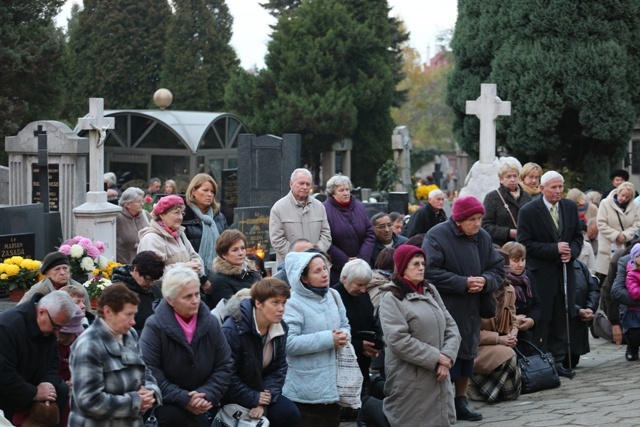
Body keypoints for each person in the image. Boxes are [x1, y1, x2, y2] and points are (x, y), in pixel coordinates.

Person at [422, 195, 504, 421]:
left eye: (479, 218)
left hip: (473, 307)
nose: (477, 224)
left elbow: (497, 268)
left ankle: (461, 400)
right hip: (446, 306)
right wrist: (462, 282)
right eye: (472, 219)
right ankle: (442, 402)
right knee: (448, 353)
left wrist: (486, 281)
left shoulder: (483, 237)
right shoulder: (437, 235)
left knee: (468, 354)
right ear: (458, 220)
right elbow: (429, 272)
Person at [367, 245, 460, 427]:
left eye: (423, 263)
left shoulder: (430, 290)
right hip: (410, 378)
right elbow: (398, 340)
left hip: (439, 375)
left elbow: (451, 326)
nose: (421, 268)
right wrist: (436, 357)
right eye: (415, 264)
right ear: (402, 267)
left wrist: (447, 356)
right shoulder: (391, 297)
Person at [139, 266, 233, 426]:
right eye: (188, 296)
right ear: (170, 300)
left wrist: (206, 394)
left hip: (205, 402)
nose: (195, 300)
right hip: (168, 406)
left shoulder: (210, 322)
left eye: (197, 294)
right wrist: (184, 398)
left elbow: (224, 365)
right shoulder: (155, 326)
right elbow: (150, 371)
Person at [517, 170, 583, 379]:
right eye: (553, 187)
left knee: (562, 314)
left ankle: (560, 359)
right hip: (541, 274)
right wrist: (554, 249)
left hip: (565, 271)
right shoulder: (528, 211)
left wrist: (572, 252)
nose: (557, 191)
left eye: (560, 187)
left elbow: (577, 237)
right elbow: (525, 243)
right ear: (542, 188)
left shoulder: (570, 207)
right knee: (543, 317)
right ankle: (542, 359)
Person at [69, 283, 161, 425]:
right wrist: (135, 402)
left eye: (134, 314)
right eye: (128, 315)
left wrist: (151, 392)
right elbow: (88, 401)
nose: (133, 321)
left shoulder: (129, 334)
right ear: (108, 312)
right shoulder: (88, 345)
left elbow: (145, 371)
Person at [282, 251, 350, 427]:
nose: (324, 274)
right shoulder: (292, 303)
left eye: (325, 268)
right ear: (303, 278)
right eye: (317, 271)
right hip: (305, 391)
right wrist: (329, 339)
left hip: (334, 387)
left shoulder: (334, 295)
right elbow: (289, 343)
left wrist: (344, 336)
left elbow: (345, 325)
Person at [221, 278, 301, 427]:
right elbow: (226, 375)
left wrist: (264, 398)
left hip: (262, 392)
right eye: (275, 302)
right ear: (258, 303)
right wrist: (253, 398)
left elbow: (279, 368)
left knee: (289, 413)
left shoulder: (280, 327)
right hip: (233, 396)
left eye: (283, 303)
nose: (281, 308)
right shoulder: (233, 330)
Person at [0, 291, 75, 424]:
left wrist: (48, 383)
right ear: (41, 312)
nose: (57, 333)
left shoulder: (48, 323)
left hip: (32, 381)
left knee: (60, 390)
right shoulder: (7, 327)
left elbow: (53, 361)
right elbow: (4, 374)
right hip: (8, 392)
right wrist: (33, 393)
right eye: (56, 326)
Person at [468, 250, 521, 404]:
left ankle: (487, 390)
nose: (503, 277)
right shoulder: (476, 294)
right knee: (508, 354)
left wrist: (512, 334)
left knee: (510, 394)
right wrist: (499, 339)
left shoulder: (509, 290)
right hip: (477, 346)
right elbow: (470, 332)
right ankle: (473, 386)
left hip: (500, 343)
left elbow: (513, 318)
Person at [333, 259, 380, 401]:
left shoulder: (363, 295)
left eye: (366, 285)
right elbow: (334, 332)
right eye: (359, 285)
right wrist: (360, 345)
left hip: (363, 363)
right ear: (344, 278)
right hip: (343, 367)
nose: (363, 290)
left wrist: (375, 343)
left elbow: (371, 321)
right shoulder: (334, 296)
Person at [269, 168, 332, 264]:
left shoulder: (319, 207)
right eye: (301, 183)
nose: (305, 187)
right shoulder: (278, 208)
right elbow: (277, 240)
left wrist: (315, 253)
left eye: (308, 184)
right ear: (291, 184)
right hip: (290, 265)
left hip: (315, 263)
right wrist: (299, 257)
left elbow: (326, 235)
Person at [323, 175, 375, 284]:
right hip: (336, 270)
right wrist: (346, 261)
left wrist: (361, 260)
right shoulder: (324, 209)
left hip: (361, 268)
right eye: (341, 190)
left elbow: (369, 234)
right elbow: (325, 240)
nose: (346, 193)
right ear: (332, 193)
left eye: (347, 189)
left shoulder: (359, 207)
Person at [182, 173, 229, 290]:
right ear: (193, 191)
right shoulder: (184, 216)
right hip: (191, 277)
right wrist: (202, 279)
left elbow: (226, 244)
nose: (209, 194)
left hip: (219, 276)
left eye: (212, 192)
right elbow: (184, 251)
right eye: (205, 190)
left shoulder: (218, 216)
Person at [137, 194, 204, 274]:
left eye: (182, 213)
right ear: (162, 215)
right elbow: (152, 274)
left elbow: (195, 257)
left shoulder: (180, 234)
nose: (180, 218)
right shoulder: (151, 239)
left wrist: (197, 266)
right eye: (176, 213)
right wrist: (185, 268)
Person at [595, 181, 640, 284]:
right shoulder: (605, 203)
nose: (623, 199)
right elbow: (601, 223)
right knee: (604, 280)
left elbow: (637, 224)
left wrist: (625, 235)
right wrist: (616, 235)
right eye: (622, 195)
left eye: (627, 197)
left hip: (624, 245)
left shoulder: (635, 206)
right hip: (607, 246)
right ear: (618, 192)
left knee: (620, 278)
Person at [110, 251, 165, 333]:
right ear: (135, 270)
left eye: (154, 280)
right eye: (148, 279)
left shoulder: (154, 289)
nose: (151, 284)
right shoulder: (119, 292)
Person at [482, 158, 532, 247]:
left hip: (524, 247)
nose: (512, 179)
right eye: (508, 176)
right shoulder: (492, 197)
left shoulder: (527, 196)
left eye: (515, 176)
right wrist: (509, 232)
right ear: (501, 179)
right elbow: (485, 226)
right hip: (501, 247)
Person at [19, 251, 91, 310]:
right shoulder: (38, 291)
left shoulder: (79, 289)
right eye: (57, 269)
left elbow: (89, 315)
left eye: (65, 268)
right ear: (47, 274)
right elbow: (19, 311)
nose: (62, 273)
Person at [501, 242, 541, 343]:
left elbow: (536, 304)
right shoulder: (499, 279)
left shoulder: (528, 276)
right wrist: (513, 321)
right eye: (515, 260)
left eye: (523, 260)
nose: (521, 264)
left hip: (525, 335)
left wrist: (531, 321)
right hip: (505, 336)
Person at [209, 229, 261, 308]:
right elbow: (228, 311)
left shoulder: (253, 273)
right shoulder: (220, 281)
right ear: (224, 255)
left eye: (242, 248)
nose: (241, 253)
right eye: (235, 250)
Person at [564, 259, 599, 368]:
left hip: (578, 326)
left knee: (573, 361)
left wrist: (590, 307)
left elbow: (593, 289)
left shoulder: (580, 266)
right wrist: (577, 310)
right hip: (562, 325)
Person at [56, 306, 85, 427]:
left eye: (72, 334)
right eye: (65, 334)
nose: (68, 338)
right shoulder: (50, 343)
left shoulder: (78, 341)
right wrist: (61, 383)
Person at [116, 187, 151, 264]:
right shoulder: (117, 217)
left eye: (142, 201)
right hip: (125, 266)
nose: (142, 204)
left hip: (145, 264)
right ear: (128, 204)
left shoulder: (146, 215)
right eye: (139, 201)